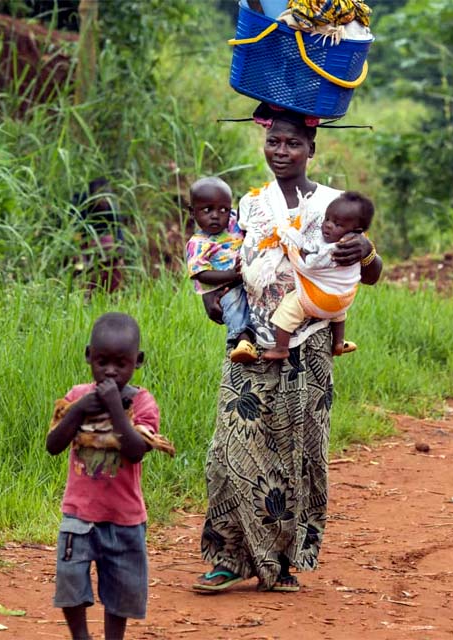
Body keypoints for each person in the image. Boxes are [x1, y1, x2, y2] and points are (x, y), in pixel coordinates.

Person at [192, 102, 382, 594]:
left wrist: (369, 251)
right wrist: (213, 294)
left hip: (310, 343)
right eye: (274, 141)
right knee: (228, 451)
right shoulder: (252, 204)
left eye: (293, 143)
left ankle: (279, 564)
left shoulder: (338, 204)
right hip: (251, 341)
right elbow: (228, 255)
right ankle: (228, 556)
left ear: (311, 150)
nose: (282, 151)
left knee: (298, 452)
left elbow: (372, 273)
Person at [46, 312, 170, 640]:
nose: (111, 371)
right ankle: (81, 637)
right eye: (102, 362)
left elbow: (135, 450)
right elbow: (53, 445)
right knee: (70, 583)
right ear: (89, 356)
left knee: (121, 589)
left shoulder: (141, 403)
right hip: (78, 515)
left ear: (137, 361)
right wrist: (80, 408)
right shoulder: (76, 397)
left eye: (121, 363)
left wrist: (116, 408)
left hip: (124, 518)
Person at [262, 191, 375, 361]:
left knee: (289, 309)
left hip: (321, 299)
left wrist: (295, 246)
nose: (328, 225)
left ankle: (281, 348)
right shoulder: (342, 241)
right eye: (327, 219)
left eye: (337, 224)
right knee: (337, 312)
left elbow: (310, 264)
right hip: (342, 300)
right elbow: (316, 246)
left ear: (356, 232)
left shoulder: (338, 248)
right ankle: (338, 342)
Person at [185, 176, 257, 363]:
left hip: (249, 280)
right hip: (224, 288)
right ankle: (242, 341)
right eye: (207, 210)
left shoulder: (234, 223)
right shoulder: (198, 243)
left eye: (223, 209)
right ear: (192, 213)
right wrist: (231, 275)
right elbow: (200, 273)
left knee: (253, 308)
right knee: (233, 306)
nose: (216, 216)